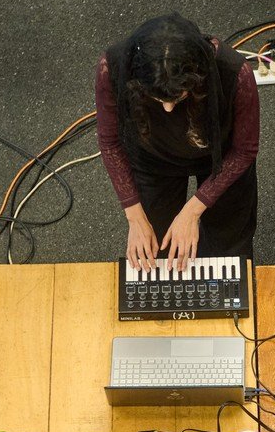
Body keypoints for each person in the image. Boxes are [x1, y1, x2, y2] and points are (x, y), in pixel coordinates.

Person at [96, 13, 259, 271]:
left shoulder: (235, 73)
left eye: (178, 98)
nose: (169, 109)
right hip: (153, 158)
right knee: (158, 248)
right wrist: (134, 216)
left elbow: (245, 150)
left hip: (219, 155)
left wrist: (193, 210)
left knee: (229, 247)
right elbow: (110, 141)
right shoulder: (114, 66)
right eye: (159, 99)